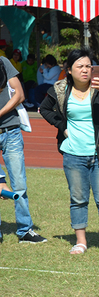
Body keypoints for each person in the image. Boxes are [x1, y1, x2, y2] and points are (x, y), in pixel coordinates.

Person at [39, 48, 99, 256]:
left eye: (88, 66)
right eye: (80, 66)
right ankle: (80, 242)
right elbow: (44, 109)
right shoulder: (60, 89)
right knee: (78, 198)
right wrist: (62, 127)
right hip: (73, 154)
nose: (85, 70)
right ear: (69, 70)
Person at [0, 56, 46, 243]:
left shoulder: (3, 62)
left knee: (19, 183)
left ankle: (25, 230)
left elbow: (19, 95)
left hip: (10, 131)